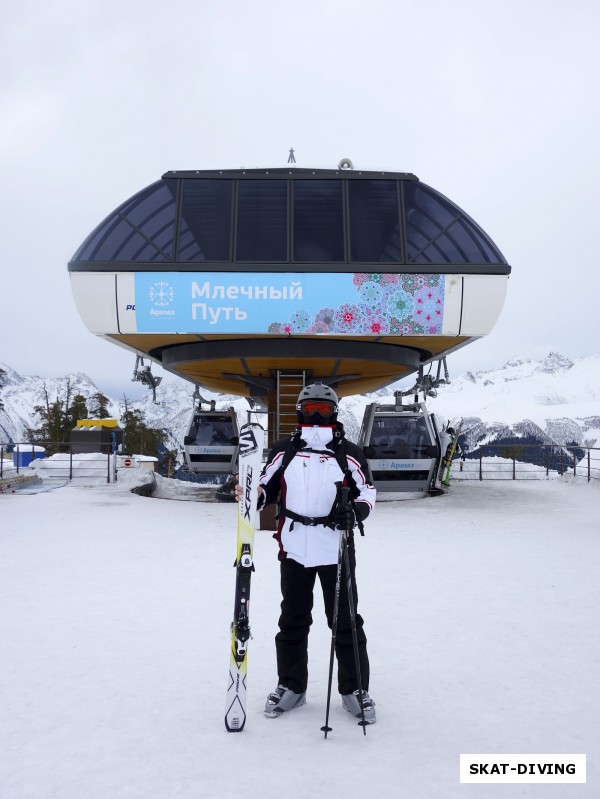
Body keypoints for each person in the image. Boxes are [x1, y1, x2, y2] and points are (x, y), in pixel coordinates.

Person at [257, 382, 377, 723]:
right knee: (293, 619)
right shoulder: (284, 451)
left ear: (334, 413)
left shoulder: (348, 453)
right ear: (299, 411)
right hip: (294, 546)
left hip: (335, 547)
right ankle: (291, 686)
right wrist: (253, 495)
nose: (315, 414)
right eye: (310, 408)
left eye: (323, 409)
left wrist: (354, 512)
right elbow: (265, 486)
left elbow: (368, 493)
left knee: (345, 622)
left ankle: (354, 689)